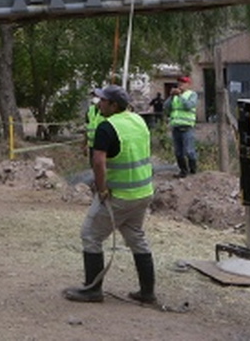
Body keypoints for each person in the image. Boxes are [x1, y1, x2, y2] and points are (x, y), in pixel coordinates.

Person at [63, 85, 157, 305]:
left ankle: (92, 290)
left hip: (119, 195)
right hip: (143, 192)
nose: (99, 103)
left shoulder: (107, 127)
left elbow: (98, 161)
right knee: (136, 237)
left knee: (90, 235)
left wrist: (102, 188)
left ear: (114, 105)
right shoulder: (138, 120)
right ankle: (147, 292)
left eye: (103, 100)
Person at [167, 76, 198, 178]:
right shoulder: (174, 96)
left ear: (188, 85)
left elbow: (189, 106)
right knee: (178, 153)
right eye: (179, 83)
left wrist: (180, 96)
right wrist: (171, 96)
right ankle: (183, 171)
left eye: (183, 83)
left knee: (189, 151)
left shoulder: (192, 95)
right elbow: (166, 108)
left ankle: (193, 171)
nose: (180, 84)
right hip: (176, 127)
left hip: (187, 128)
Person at [84, 91, 103, 159]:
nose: (94, 98)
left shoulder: (106, 111)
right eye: (93, 96)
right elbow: (86, 128)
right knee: (94, 166)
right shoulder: (90, 110)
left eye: (96, 96)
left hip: (103, 145)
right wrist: (85, 145)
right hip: (91, 145)